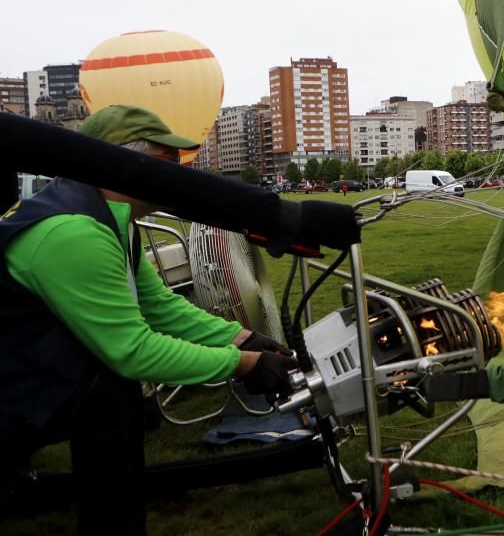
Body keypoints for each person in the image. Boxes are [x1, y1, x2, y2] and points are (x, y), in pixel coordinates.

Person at [0, 105, 297, 534]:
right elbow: (133, 351)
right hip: (13, 396)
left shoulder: (110, 220)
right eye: (166, 163)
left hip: (31, 373)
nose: (176, 175)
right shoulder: (75, 232)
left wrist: (243, 337)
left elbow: (158, 306)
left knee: (110, 396)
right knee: (110, 391)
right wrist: (242, 365)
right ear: (120, 163)